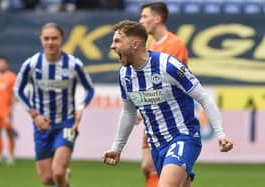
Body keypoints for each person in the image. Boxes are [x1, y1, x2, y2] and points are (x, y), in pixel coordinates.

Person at [102, 20, 233, 187]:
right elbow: (128, 112)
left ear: (134, 44)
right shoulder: (124, 75)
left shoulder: (168, 65)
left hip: (183, 137)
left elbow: (204, 98)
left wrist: (220, 134)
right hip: (156, 145)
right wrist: (116, 148)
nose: (112, 46)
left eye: (117, 41)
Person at [14, 22, 94, 187]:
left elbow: (89, 90)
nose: (50, 42)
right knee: (47, 179)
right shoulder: (31, 64)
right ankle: (65, 179)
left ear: (61, 39)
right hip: (42, 125)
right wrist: (35, 116)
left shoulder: (74, 64)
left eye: (54, 38)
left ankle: (62, 175)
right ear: (41, 40)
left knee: (58, 171)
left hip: (67, 123)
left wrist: (80, 108)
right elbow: (18, 90)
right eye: (46, 38)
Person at [138, 2, 189, 186]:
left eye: (144, 16)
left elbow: (170, 84)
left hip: (171, 118)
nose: (141, 20)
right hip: (154, 114)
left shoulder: (174, 45)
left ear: (157, 19)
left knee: (154, 167)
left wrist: (143, 103)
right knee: (150, 167)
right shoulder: (152, 45)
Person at [0, 56, 17, 166]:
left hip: (6, 110)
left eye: (2, 63)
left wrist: (11, 108)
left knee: (9, 132)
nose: (0, 65)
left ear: (6, 64)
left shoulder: (11, 76)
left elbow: (14, 94)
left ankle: (10, 156)